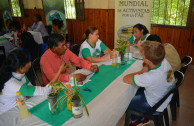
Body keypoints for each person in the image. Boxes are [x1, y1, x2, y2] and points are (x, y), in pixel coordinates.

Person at [123, 41, 175, 126]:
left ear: (148, 60)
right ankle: (139, 118)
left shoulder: (150, 77)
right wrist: (147, 66)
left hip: (154, 105)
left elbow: (126, 79)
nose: (142, 56)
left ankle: (137, 120)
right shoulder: (164, 61)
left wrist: (141, 71)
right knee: (136, 90)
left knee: (126, 101)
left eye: (143, 55)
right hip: (165, 96)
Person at [0, 49, 64, 115]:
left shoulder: (20, 74)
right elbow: (45, 90)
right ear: (20, 67)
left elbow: (31, 89)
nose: (30, 62)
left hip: (21, 105)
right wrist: (59, 71)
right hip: (9, 114)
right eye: (28, 61)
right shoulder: (12, 84)